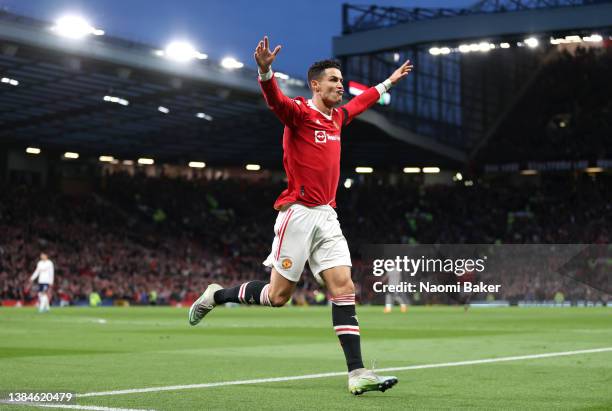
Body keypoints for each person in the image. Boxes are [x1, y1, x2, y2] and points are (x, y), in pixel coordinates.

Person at [189, 36, 413, 395]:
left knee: (344, 287)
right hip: (298, 213)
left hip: (327, 215)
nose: (340, 86)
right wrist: (265, 70)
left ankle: (357, 373)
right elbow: (274, 100)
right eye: (333, 81)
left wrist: (388, 82)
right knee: (278, 297)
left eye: (341, 81)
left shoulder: (338, 118)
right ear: (315, 85)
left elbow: (363, 102)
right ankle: (217, 295)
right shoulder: (298, 113)